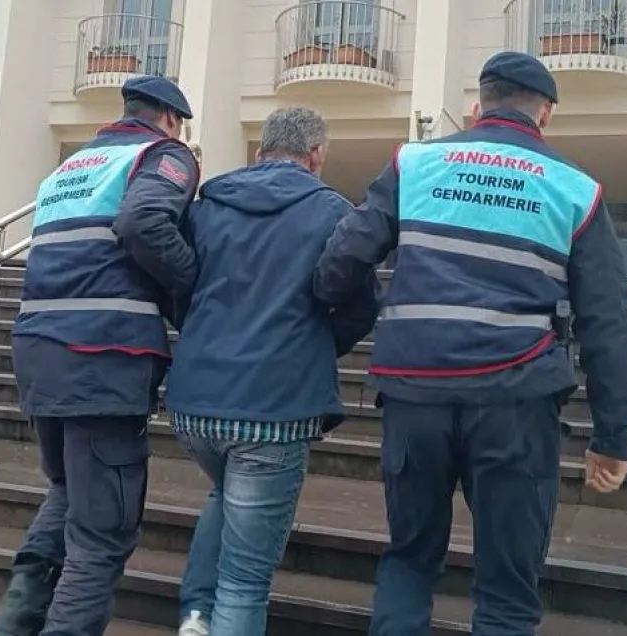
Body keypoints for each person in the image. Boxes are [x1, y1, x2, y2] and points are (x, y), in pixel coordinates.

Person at [313, 51, 627, 635]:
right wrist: (612, 437)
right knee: (507, 590)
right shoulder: (577, 190)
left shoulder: (415, 164)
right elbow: (609, 323)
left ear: (478, 106)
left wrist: (336, 314)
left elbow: (343, 257)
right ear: (546, 114)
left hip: (415, 394)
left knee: (409, 562)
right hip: (516, 402)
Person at [0, 76, 200, 636]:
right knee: (101, 534)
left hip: (40, 353)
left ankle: (14, 624)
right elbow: (143, 221)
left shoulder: (71, 167)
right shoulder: (162, 154)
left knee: (66, 492)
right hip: (103, 356)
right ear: (170, 119)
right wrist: (195, 293)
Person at [165, 107, 380, 636]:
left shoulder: (207, 205)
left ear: (260, 152)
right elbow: (360, 306)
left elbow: (179, 284)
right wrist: (314, 347)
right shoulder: (334, 213)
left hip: (195, 402)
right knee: (244, 580)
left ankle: (197, 614)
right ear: (316, 156)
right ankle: (206, 614)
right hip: (273, 408)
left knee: (226, 493)